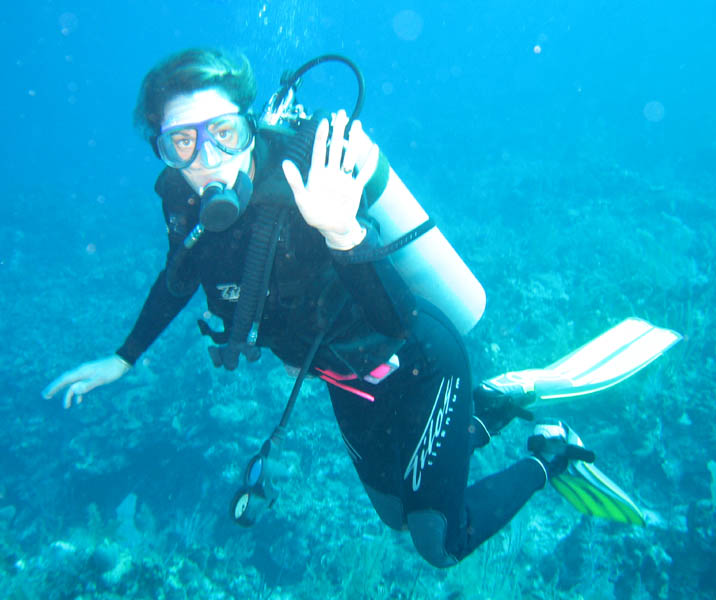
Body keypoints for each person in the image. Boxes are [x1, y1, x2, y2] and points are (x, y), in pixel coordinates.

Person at [43, 48, 574, 568]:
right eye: (182, 142)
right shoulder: (181, 200)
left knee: (438, 541)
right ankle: (494, 404)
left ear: (249, 125)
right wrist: (124, 357)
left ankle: (550, 456)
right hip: (345, 381)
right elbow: (178, 277)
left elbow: (399, 322)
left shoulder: (311, 181)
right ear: (163, 149)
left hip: (420, 363)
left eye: (224, 132)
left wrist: (342, 233)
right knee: (395, 514)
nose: (207, 159)